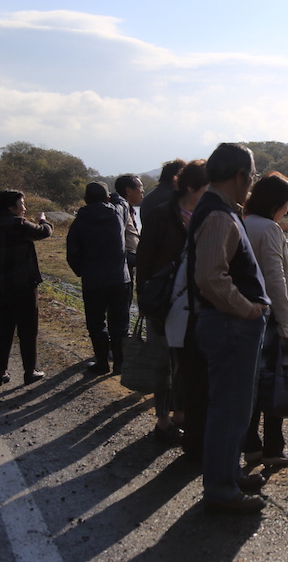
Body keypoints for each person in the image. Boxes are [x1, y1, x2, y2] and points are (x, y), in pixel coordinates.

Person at [187, 143, 269, 513]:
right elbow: (210, 277)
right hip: (229, 324)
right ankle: (221, 489)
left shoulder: (219, 209)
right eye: (251, 175)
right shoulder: (219, 214)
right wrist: (248, 309)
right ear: (239, 176)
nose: (251, 183)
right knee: (228, 407)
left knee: (235, 406)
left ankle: (228, 474)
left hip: (228, 324)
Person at [136, 160, 208, 447]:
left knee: (185, 363)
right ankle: (163, 419)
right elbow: (144, 259)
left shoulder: (205, 214)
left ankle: (181, 414)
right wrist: (145, 299)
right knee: (162, 361)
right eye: (207, 186)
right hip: (163, 300)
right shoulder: (161, 215)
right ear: (190, 187)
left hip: (193, 302)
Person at [242, 171, 288, 468]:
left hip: (245, 315)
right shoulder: (270, 230)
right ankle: (273, 449)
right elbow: (276, 280)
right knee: (275, 382)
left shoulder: (242, 222)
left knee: (251, 384)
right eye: (287, 202)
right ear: (278, 202)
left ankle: (250, 444)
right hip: (271, 320)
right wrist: (287, 324)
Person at [0, 189, 53, 387]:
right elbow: (44, 232)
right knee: (28, 328)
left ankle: (0, 372)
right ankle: (30, 370)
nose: (24, 208)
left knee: (2, 329)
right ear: (11, 207)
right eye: (22, 204)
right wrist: (43, 219)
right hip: (23, 286)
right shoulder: (18, 224)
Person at [66, 181, 130, 375]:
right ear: (108, 198)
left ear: (85, 200)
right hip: (120, 277)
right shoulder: (117, 213)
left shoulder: (80, 221)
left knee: (96, 323)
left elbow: (72, 253)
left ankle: (102, 363)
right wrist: (113, 196)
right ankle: (120, 363)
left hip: (93, 280)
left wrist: (82, 271)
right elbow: (123, 202)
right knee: (120, 323)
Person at [114, 174, 145, 284]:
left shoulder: (128, 209)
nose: (142, 191)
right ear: (128, 191)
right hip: (121, 267)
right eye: (140, 187)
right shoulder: (119, 211)